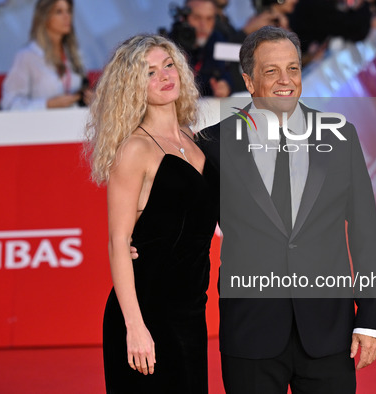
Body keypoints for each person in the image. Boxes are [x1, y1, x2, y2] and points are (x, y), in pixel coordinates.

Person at [198, 26, 376, 393]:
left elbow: (364, 229)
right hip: (250, 331)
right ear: (249, 81)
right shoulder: (215, 145)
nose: (286, 81)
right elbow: (191, 231)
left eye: (293, 68)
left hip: (328, 332)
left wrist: (371, 319)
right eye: (271, 71)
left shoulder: (339, 136)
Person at [85, 34, 218, 393]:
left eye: (168, 65)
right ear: (132, 86)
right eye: (149, 72)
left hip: (191, 312)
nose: (164, 76)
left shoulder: (195, 140)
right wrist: (135, 326)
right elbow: (118, 240)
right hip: (146, 314)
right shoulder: (134, 149)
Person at [0, 0, 92, 110]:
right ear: (45, 17)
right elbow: (10, 103)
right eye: (59, 12)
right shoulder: (27, 56)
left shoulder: (75, 54)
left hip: (73, 123)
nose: (67, 16)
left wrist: (90, 99)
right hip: (40, 125)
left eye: (69, 11)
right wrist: (47, 104)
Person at [179, 0, 232, 98]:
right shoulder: (169, 44)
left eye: (209, 18)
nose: (203, 25)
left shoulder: (218, 39)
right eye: (197, 18)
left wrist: (225, 85)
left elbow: (228, 70)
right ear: (183, 18)